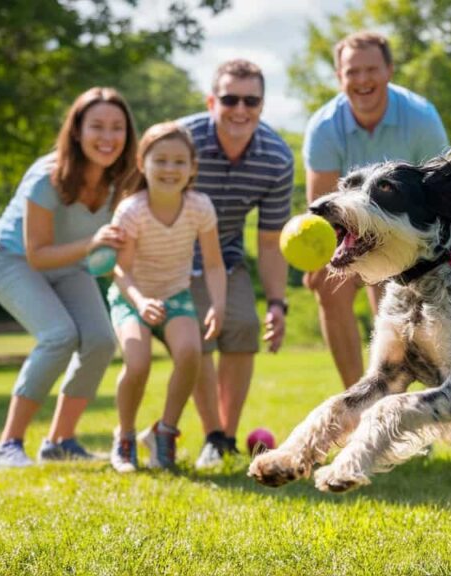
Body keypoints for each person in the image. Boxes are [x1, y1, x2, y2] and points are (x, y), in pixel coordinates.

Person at [0, 87, 138, 468]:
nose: (107, 137)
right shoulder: (46, 177)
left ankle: (60, 441)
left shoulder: (121, 180)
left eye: (117, 127)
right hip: (13, 261)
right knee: (59, 336)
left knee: (101, 341)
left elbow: (102, 252)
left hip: (71, 262)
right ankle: (8, 444)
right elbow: (36, 254)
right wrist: (93, 243)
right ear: (77, 131)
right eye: (97, 126)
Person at [302, 31, 450, 389]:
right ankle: (360, 399)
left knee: (391, 295)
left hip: (408, 232)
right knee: (326, 281)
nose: (362, 80)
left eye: (371, 69)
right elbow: (324, 211)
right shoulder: (324, 127)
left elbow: (439, 196)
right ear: (340, 77)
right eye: (352, 72)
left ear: (389, 71)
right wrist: (327, 260)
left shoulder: (421, 118)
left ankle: (413, 401)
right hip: (350, 229)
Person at [177, 59, 294, 469]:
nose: (240, 109)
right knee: (199, 333)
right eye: (229, 99)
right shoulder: (182, 140)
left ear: (262, 105)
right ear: (212, 100)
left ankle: (225, 438)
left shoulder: (277, 157)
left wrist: (277, 303)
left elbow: (269, 239)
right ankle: (212, 434)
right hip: (173, 254)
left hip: (224, 255)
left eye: (251, 100)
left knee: (243, 326)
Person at [108, 122, 227, 472]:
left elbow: (215, 265)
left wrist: (218, 304)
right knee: (138, 362)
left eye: (179, 162)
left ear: (192, 167)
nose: (170, 169)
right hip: (132, 297)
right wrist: (141, 302)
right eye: (160, 160)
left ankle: (164, 432)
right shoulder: (132, 210)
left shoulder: (200, 207)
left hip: (175, 295)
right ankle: (125, 437)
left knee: (191, 352)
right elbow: (120, 270)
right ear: (142, 163)